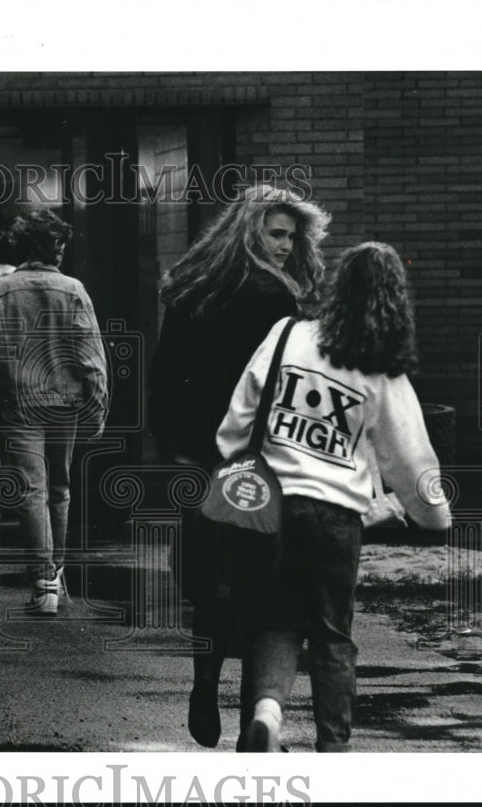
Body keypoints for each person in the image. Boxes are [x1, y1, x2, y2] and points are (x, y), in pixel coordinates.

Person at [217, 241, 452, 752]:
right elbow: (410, 457)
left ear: (336, 285)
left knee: (276, 620)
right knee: (330, 634)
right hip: (333, 515)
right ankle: (333, 749)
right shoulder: (379, 367)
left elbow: (237, 421)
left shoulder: (286, 335)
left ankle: (267, 714)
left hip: (271, 504)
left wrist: (241, 461)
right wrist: (434, 516)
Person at [147, 184, 330, 749]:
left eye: (292, 236)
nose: (285, 246)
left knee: (209, 580)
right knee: (264, 581)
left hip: (204, 454)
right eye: (277, 234)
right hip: (262, 454)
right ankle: (257, 710)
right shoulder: (274, 298)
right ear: (251, 231)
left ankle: (204, 687)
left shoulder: (191, 287)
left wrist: (176, 441)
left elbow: (164, 373)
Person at [0, 209, 108, 616]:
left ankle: (43, 582)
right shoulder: (73, 290)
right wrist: (98, 408)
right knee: (60, 488)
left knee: (31, 490)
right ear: (55, 248)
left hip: (20, 402)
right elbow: (91, 357)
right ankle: (58, 573)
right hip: (65, 403)